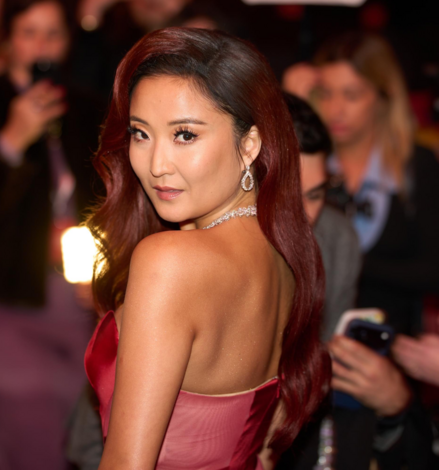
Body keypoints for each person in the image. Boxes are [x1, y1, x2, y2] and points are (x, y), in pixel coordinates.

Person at [83, 27, 331, 469]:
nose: (157, 164)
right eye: (141, 133)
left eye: (185, 135)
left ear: (249, 144)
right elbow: (264, 453)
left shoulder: (169, 261)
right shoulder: (287, 252)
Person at [283, 32, 439, 468]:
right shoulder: (306, 161)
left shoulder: (414, 164)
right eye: (325, 93)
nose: (336, 109)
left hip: (391, 353)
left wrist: (349, 255)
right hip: (309, 349)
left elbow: (432, 269)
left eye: (351, 95)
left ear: (383, 98)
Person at [0, 0, 104, 468]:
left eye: (53, 34)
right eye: (29, 32)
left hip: (79, 301)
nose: (41, 46)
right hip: (4, 298)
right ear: (8, 40)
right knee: (33, 425)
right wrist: (10, 140)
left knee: (83, 422)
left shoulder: (89, 109)